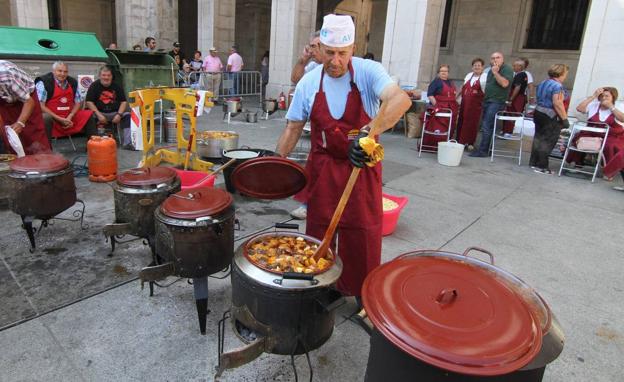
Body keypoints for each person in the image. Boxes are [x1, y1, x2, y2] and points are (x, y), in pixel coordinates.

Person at [275, 14, 411, 300]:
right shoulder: (309, 83)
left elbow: (400, 100)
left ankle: (364, 294)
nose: (336, 61)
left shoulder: (367, 72)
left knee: (362, 232)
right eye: (329, 52)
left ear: (352, 49)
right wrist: (275, 166)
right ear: (318, 49)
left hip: (360, 168)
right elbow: (293, 127)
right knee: (319, 229)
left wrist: (367, 134)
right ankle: (322, 287)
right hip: (323, 170)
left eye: (342, 53)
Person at [289, 30, 323, 220]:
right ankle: (308, 204)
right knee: (315, 167)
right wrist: (302, 59)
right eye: (311, 46)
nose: (312, 50)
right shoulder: (311, 68)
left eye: (315, 46)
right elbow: (295, 79)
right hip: (318, 125)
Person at [572, 87, 624, 181]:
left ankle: (609, 171)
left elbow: (622, 119)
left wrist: (611, 107)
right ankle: (578, 163)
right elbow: (579, 108)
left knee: (610, 145)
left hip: (612, 134)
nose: (604, 98)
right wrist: (593, 96)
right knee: (579, 138)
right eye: (602, 96)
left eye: (607, 96)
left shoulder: (618, 106)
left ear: (613, 97)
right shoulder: (594, 105)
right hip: (593, 132)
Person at [36, 61, 96, 142]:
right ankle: (47, 150)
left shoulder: (72, 82)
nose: (62, 74)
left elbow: (79, 102)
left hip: (69, 117)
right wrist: (59, 119)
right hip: (53, 119)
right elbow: (40, 105)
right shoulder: (43, 82)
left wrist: (70, 116)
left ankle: (93, 145)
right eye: (59, 71)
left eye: (65, 71)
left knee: (89, 115)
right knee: (45, 118)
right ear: (53, 71)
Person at [0, 60, 51, 155]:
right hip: (5, 102)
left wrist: (20, 123)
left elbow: (29, 102)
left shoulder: (6, 75)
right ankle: (16, 162)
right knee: (9, 133)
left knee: (33, 134)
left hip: (27, 98)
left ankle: (43, 161)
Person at [469, 51, 514, 157]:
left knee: (487, 125)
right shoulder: (490, 71)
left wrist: (495, 73)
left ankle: (483, 151)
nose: (495, 60)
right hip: (488, 100)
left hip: (496, 101)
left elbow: (504, 83)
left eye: (497, 57)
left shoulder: (506, 69)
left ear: (502, 59)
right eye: (492, 58)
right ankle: (487, 149)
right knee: (487, 125)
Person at [529, 64, 570, 174]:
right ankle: (542, 166)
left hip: (538, 112)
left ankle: (533, 162)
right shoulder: (557, 86)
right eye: (565, 73)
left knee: (538, 137)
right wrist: (565, 119)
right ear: (561, 73)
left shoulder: (543, 82)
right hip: (549, 115)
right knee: (548, 140)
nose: (565, 76)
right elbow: (557, 103)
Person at [85, 65, 132, 149]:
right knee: (88, 117)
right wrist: (99, 115)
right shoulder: (94, 86)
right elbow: (89, 102)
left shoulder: (117, 86)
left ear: (111, 76)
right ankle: (93, 144)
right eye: (103, 75)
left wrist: (119, 114)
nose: (106, 77)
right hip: (99, 113)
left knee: (128, 115)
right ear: (99, 76)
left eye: (108, 75)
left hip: (115, 113)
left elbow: (124, 102)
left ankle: (127, 143)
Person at [421, 64, 458, 151]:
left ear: (448, 73)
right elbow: (430, 95)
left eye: (445, 71)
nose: (444, 73)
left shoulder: (451, 82)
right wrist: (437, 106)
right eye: (442, 71)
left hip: (451, 109)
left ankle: (445, 145)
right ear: (438, 73)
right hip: (440, 109)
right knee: (438, 129)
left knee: (450, 128)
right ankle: (435, 146)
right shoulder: (436, 82)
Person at [456, 58, 486, 149]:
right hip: (465, 103)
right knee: (462, 121)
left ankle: (469, 143)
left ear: (482, 67)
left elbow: (486, 91)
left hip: (475, 105)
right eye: (475, 65)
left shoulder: (485, 76)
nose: (477, 67)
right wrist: (457, 95)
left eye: (479, 65)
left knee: (472, 123)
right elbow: (463, 87)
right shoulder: (469, 75)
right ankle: (459, 141)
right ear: (472, 67)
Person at [502, 59, 528, 135]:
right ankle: (506, 130)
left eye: (514, 65)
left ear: (520, 66)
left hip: (517, 98)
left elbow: (517, 87)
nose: (513, 67)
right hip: (519, 97)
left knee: (511, 114)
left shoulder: (520, 75)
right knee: (510, 113)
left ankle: (508, 132)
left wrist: (511, 99)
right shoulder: (522, 75)